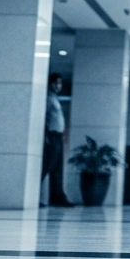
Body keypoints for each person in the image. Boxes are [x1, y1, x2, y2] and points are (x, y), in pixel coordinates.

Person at [40, 73, 73, 208]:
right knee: (46, 166)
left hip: (58, 137)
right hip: (52, 137)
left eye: (59, 83)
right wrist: (47, 136)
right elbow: (44, 118)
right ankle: (33, 196)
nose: (57, 85)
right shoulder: (47, 99)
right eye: (54, 82)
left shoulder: (55, 99)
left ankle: (58, 197)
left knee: (57, 169)